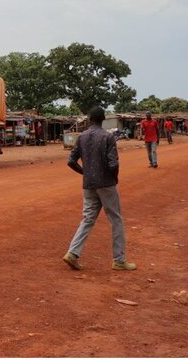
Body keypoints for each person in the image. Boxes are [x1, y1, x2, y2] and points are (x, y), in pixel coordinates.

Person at [62, 105, 136, 272]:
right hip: (106, 183)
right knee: (116, 219)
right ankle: (119, 260)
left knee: (87, 219)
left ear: (89, 119)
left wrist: (85, 173)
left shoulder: (81, 137)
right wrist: (114, 178)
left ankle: (72, 253)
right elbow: (113, 163)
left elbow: (70, 161)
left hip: (88, 185)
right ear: (103, 120)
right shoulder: (107, 137)